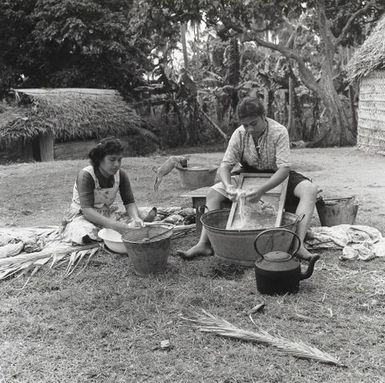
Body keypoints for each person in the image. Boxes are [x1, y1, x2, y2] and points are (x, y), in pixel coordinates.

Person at [177, 97, 318, 261]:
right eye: (245, 125)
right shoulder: (239, 133)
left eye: (254, 123)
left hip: (276, 173)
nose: (250, 128)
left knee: (309, 189)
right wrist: (229, 186)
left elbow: (284, 169)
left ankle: (298, 244)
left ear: (263, 116)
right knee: (213, 193)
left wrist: (261, 190)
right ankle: (203, 244)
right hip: (247, 173)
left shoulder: (279, 132)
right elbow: (225, 166)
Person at [61, 137, 144, 245]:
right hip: (82, 216)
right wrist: (114, 226)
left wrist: (135, 218)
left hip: (106, 213)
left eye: (119, 160)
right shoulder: (86, 175)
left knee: (140, 218)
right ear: (100, 159)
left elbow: (129, 203)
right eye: (112, 160)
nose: (117, 164)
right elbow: (87, 211)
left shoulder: (121, 175)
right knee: (84, 232)